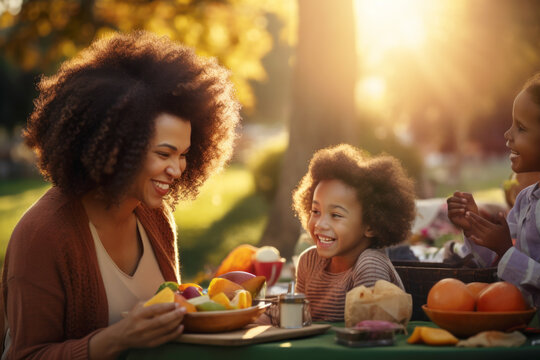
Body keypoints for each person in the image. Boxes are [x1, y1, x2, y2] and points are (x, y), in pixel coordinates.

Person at [1, 31, 240, 359]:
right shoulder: (43, 234)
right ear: (118, 148)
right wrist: (117, 339)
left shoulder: (156, 216)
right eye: (164, 153)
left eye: (183, 154)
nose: (178, 169)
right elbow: (25, 355)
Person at [447, 72, 540, 315]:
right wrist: (473, 226)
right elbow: (492, 262)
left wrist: (506, 251)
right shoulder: (525, 199)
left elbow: (507, 255)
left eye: (521, 128)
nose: (508, 135)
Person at [292, 144, 416, 321]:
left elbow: (368, 331)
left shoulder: (369, 265)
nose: (320, 224)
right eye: (315, 211)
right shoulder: (308, 262)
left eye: (336, 215)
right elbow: (295, 319)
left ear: (371, 225)